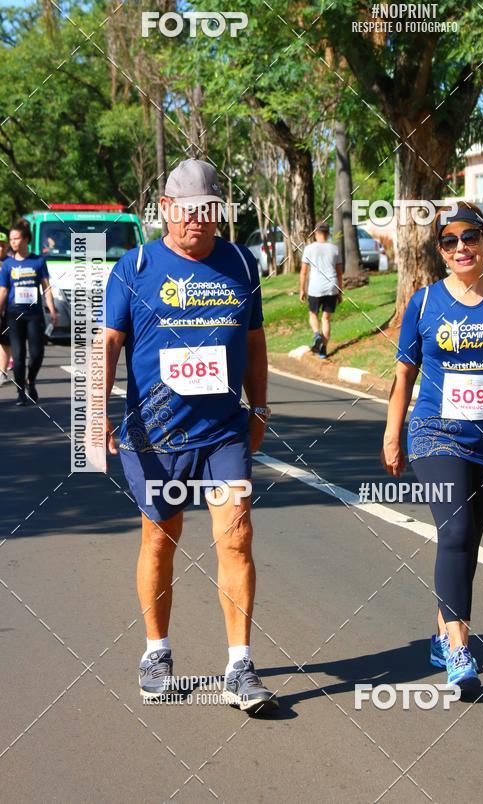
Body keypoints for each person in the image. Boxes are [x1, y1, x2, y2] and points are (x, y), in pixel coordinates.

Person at [105, 159, 278, 712]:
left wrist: (261, 407)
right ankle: (156, 650)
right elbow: (107, 343)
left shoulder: (239, 262)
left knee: (237, 535)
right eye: (187, 212)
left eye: (207, 211)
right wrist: (92, 413)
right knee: (160, 538)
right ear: (165, 210)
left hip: (222, 431)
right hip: (153, 435)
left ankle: (240, 665)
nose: (197, 223)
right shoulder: (134, 267)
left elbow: (253, 340)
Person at [381, 204, 483, 692]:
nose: (461, 248)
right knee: (453, 531)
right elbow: (405, 372)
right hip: (436, 432)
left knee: (468, 538)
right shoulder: (425, 302)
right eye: (449, 242)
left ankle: (439, 632)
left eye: (470, 238)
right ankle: (458, 648)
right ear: (440, 252)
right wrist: (393, 432)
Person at [0, 220, 57, 404]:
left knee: (37, 353)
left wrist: (52, 309)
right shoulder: (7, 264)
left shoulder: (38, 261)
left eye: (16, 238)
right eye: (11, 239)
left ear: (25, 239)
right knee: (17, 355)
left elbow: (46, 287)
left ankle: (31, 380)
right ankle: (20, 393)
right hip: (14, 314)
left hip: (34, 314)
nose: (13, 242)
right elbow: (3, 291)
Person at [299, 222, 342, 358]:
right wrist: (339, 291)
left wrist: (302, 290)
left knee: (313, 314)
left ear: (316, 233)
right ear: (327, 234)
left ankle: (317, 334)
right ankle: (323, 350)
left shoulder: (309, 249)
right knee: (326, 319)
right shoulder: (335, 249)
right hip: (332, 287)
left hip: (315, 288)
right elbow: (339, 273)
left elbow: (304, 272)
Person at [0, 229, 11, 385]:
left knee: (4, 342)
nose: (0, 248)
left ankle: (2, 372)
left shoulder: (11, 263)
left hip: (8, 308)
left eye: (2, 245)